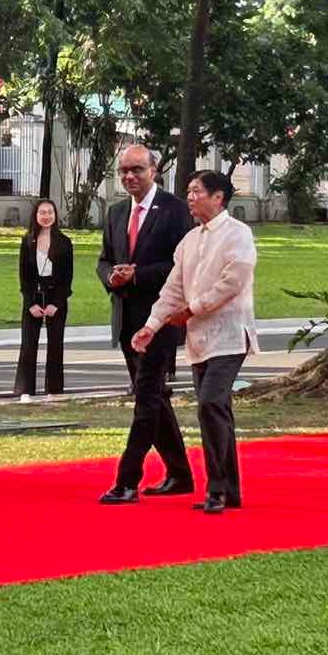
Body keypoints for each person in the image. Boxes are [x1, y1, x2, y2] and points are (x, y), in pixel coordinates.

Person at [131, 170, 258, 514]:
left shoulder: (238, 235)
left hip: (230, 335)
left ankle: (216, 488)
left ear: (219, 197)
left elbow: (232, 282)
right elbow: (172, 288)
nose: (189, 197)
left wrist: (193, 309)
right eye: (187, 191)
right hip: (200, 338)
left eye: (197, 191)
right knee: (215, 411)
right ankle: (229, 489)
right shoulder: (189, 241)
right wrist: (152, 325)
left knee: (210, 404)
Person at [96, 144, 196, 504]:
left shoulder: (174, 211)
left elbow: (181, 267)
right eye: (123, 170)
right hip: (126, 319)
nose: (129, 177)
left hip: (160, 319)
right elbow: (104, 259)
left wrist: (138, 276)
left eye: (136, 169)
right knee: (154, 397)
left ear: (154, 169)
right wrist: (112, 277)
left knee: (147, 396)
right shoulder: (116, 212)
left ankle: (126, 480)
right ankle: (181, 474)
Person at [15, 198, 74, 398]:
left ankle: (54, 390)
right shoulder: (27, 241)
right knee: (29, 344)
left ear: (55, 215)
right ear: (36, 215)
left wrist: (56, 303)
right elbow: (24, 276)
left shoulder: (64, 243)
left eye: (50, 212)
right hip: (33, 296)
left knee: (55, 344)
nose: (46, 216)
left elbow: (67, 278)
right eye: (42, 212)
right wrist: (31, 303)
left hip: (56, 297)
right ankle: (25, 390)